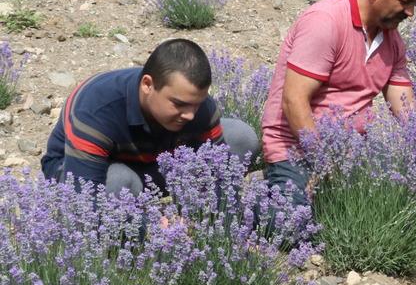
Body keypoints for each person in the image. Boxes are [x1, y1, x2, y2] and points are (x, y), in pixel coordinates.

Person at [259, 0, 416, 205]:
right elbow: (293, 100)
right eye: (404, 1)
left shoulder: (392, 40)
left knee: (395, 206)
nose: (410, 13)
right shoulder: (325, 22)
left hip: (350, 153)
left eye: (414, 4)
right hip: (295, 148)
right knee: (292, 221)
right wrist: (325, 162)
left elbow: (404, 104)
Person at [41, 38, 258, 195]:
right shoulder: (96, 109)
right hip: (83, 169)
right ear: (147, 85)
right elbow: (85, 194)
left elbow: (219, 169)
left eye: (197, 104)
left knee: (241, 137)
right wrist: (152, 228)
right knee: (117, 182)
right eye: (179, 104)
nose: (190, 115)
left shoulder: (199, 107)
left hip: (158, 165)